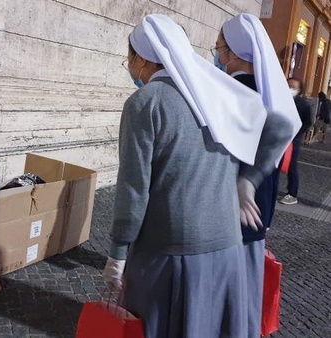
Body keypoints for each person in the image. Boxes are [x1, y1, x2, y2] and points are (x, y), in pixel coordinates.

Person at [102, 14, 282, 338]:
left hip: (172, 252)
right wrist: (249, 182)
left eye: (128, 58)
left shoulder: (145, 103)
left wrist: (117, 253)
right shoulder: (217, 94)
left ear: (142, 58)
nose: (128, 66)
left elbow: (133, 188)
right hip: (226, 245)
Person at [215, 13, 301, 337]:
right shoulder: (267, 92)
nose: (218, 55)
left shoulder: (230, 91)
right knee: (246, 295)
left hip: (226, 213)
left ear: (235, 53)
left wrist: (242, 180)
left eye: (220, 47)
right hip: (257, 211)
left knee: (223, 297)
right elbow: (285, 127)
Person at [279, 78, 312, 205]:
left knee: (291, 165)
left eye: (293, 87)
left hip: (294, 139)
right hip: (279, 136)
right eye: (288, 85)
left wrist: (296, 134)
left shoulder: (303, 104)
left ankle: (292, 193)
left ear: (299, 90)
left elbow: (307, 123)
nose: (290, 89)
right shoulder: (280, 100)